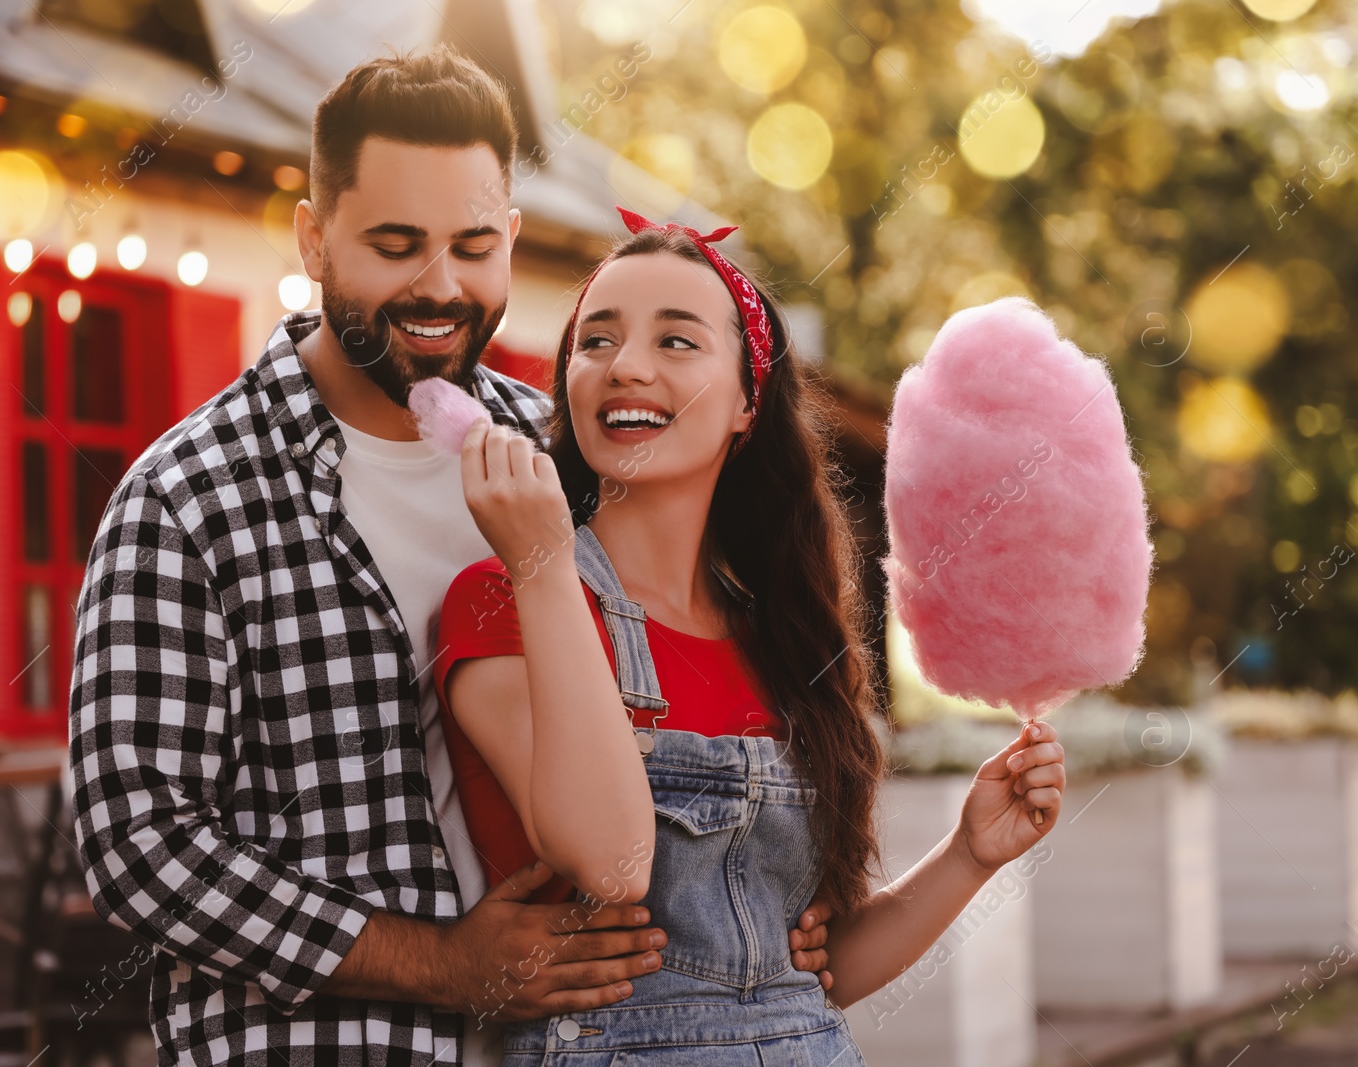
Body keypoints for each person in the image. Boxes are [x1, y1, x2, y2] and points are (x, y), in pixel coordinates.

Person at [68, 47, 832, 1067]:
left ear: (510, 238)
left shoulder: (568, 459)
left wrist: (773, 905)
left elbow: (696, 690)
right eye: (395, 244)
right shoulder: (186, 496)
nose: (439, 285)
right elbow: (140, 846)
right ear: (312, 237)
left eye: (473, 246)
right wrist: (439, 961)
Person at [434, 208, 1068, 1063]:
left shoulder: (781, 634)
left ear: (746, 401)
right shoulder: (502, 599)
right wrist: (543, 559)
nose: (626, 367)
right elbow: (612, 859)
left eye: (677, 342)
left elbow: (805, 976)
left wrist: (968, 853)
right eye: (597, 341)